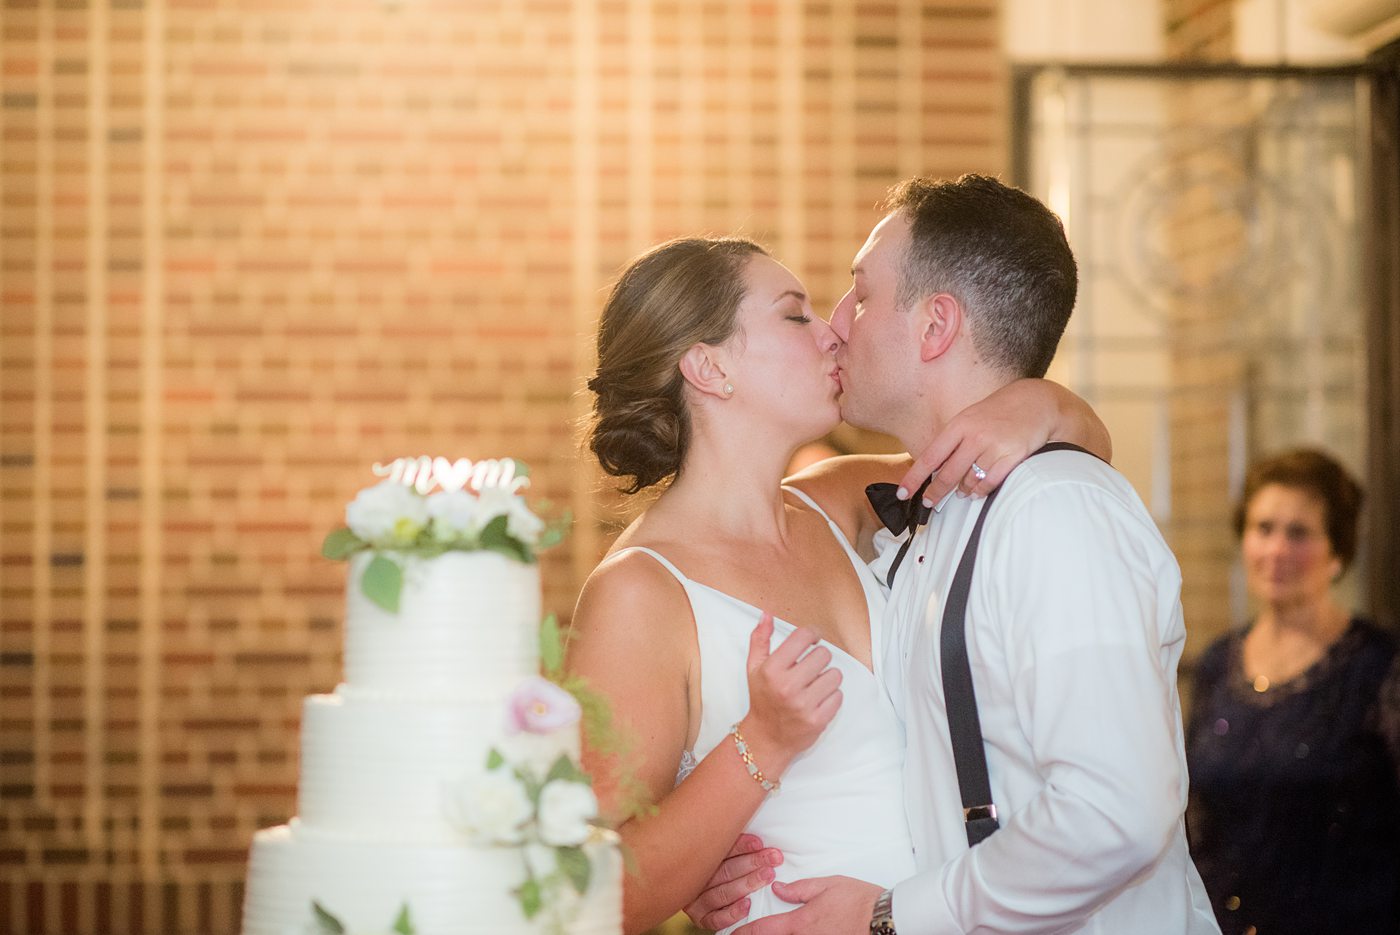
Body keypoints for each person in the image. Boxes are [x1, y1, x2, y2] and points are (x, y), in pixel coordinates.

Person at [566, 235, 1113, 934]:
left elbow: (1078, 456)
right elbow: (590, 895)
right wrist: (759, 746)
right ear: (709, 367)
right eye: (795, 316)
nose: (833, 333)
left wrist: (1038, 405)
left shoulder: (846, 500)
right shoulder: (640, 592)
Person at [723, 175, 1219, 935]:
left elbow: (1116, 809)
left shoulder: (1052, 511)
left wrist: (891, 915)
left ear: (935, 326)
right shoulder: (932, 511)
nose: (836, 325)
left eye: (860, 294)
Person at [1185, 448, 1400, 935]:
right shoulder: (1218, 661)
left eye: (1298, 532)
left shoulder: (1380, 667)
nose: (1277, 549)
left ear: (1338, 550)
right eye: (1263, 528)